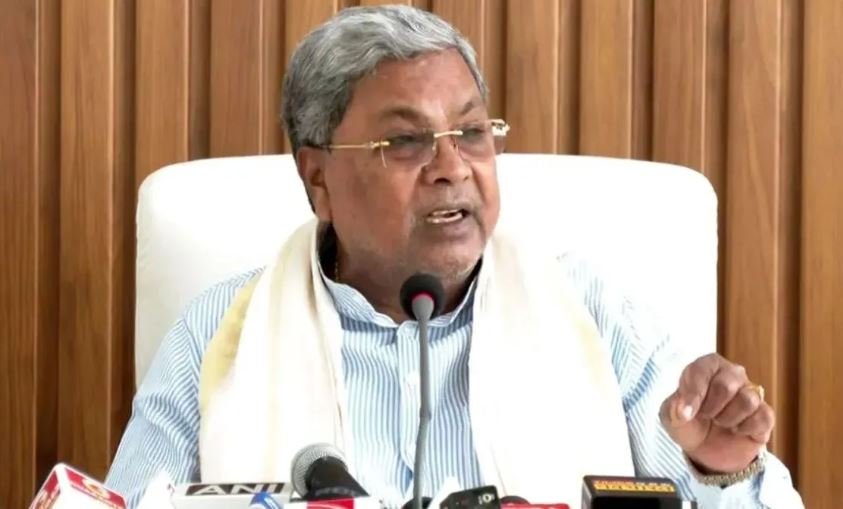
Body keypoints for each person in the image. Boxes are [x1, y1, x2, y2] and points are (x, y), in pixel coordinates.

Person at [106, 5, 803, 508]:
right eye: (405, 142)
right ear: (318, 178)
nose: (452, 168)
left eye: (471, 132)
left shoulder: (593, 315)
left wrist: (722, 469)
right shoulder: (216, 333)